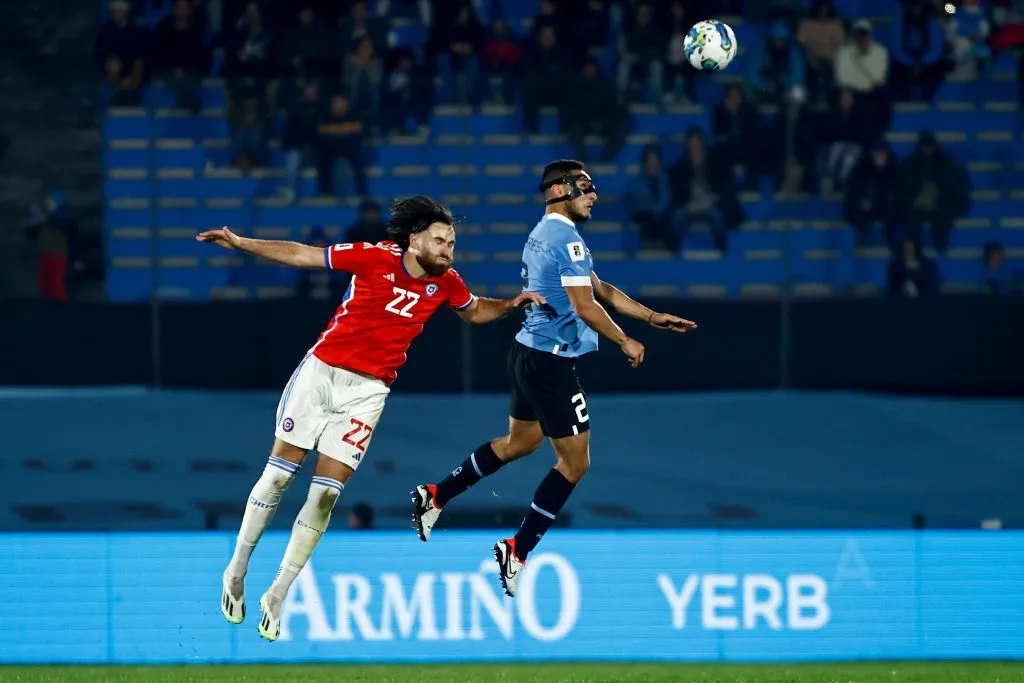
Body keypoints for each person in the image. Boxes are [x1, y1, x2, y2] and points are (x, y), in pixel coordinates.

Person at [196, 195, 544, 641]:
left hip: (369, 392)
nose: (447, 250)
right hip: (321, 374)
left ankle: (279, 592)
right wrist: (242, 243)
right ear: (414, 240)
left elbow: (475, 309)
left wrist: (511, 304)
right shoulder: (374, 257)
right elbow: (303, 255)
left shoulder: (446, 283)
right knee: (279, 477)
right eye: (440, 240)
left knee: (324, 498)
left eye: (452, 244)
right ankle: (238, 570)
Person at [410, 161, 697, 597]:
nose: (594, 195)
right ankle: (518, 549)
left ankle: (437, 494)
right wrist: (625, 340)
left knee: (520, 443)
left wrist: (650, 316)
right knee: (576, 463)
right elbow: (585, 305)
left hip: (528, 351)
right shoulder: (566, 239)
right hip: (551, 363)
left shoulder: (547, 233)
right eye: (585, 186)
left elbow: (599, 288)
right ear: (560, 189)